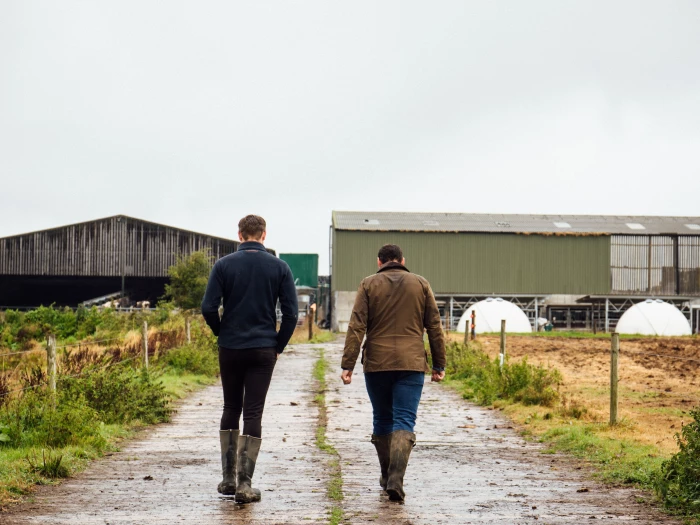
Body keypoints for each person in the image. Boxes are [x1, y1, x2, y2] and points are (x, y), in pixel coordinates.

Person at [201, 215, 298, 503]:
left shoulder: (223, 265)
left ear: (240, 235)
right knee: (253, 412)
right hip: (263, 348)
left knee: (231, 406)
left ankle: (227, 479)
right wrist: (277, 345)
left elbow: (208, 307)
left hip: (231, 347)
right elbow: (291, 314)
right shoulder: (279, 267)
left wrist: (222, 332)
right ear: (264, 235)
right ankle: (245, 484)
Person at [340, 244, 446, 502]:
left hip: (377, 363)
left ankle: (387, 476)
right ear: (402, 260)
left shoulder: (368, 284)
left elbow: (356, 326)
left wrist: (348, 364)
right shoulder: (421, 284)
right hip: (411, 363)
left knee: (383, 418)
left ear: (379, 262)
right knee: (404, 420)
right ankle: (396, 479)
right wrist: (439, 364)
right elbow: (434, 326)